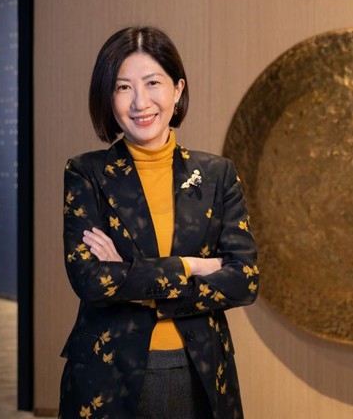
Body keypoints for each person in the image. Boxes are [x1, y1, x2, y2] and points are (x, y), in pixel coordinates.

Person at [58, 26, 259, 419]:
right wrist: (192, 266)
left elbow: (244, 280)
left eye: (153, 83)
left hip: (200, 369)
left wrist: (131, 278)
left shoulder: (216, 174)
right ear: (108, 97)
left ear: (178, 89)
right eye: (123, 87)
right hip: (108, 374)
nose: (140, 102)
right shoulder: (86, 173)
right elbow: (90, 279)